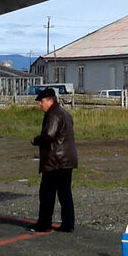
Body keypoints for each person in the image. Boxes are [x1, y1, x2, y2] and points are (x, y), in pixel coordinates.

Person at [29, 87, 78, 233]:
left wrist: (35, 140)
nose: (39, 104)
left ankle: (44, 224)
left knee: (47, 193)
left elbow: (50, 134)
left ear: (50, 101)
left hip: (55, 160)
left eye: (41, 101)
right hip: (67, 159)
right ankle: (68, 223)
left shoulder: (53, 114)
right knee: (64, 193)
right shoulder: (65, 113)